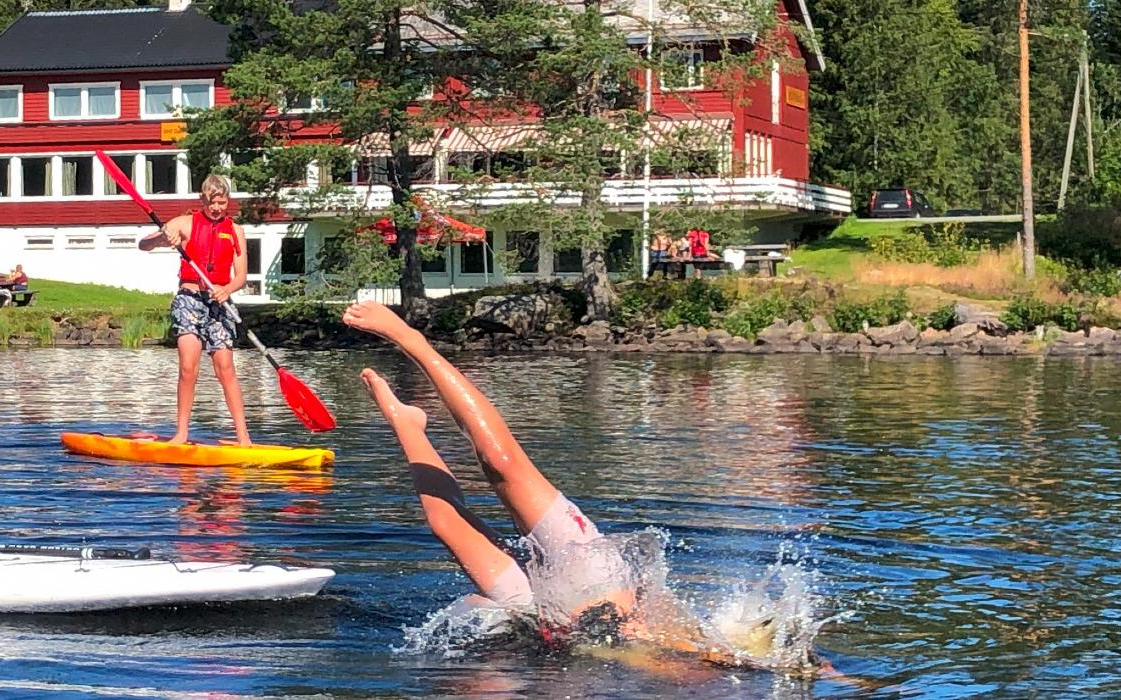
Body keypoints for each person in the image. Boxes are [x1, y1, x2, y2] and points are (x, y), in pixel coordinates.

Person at [343, 300, 826, 671]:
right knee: (500, 461)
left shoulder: (703, 674)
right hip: (593, 576)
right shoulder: (724, 660)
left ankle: (405, 420)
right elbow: (807, 664)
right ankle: (413, 340)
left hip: (546, 620)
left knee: (443, 521)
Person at [138, 174, 250, 446]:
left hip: (220, 303)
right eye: (213, 203)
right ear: (203, 200)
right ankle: (182, 433)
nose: (217, 208)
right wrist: (162, 236)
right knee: (189, 366)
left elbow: (242, 276)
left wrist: (227, 289)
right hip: (190, 299)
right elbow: (144, 245)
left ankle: (244, 438)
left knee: (226, 367)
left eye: (223, 203)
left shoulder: (235, 230)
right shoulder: (184, 223)